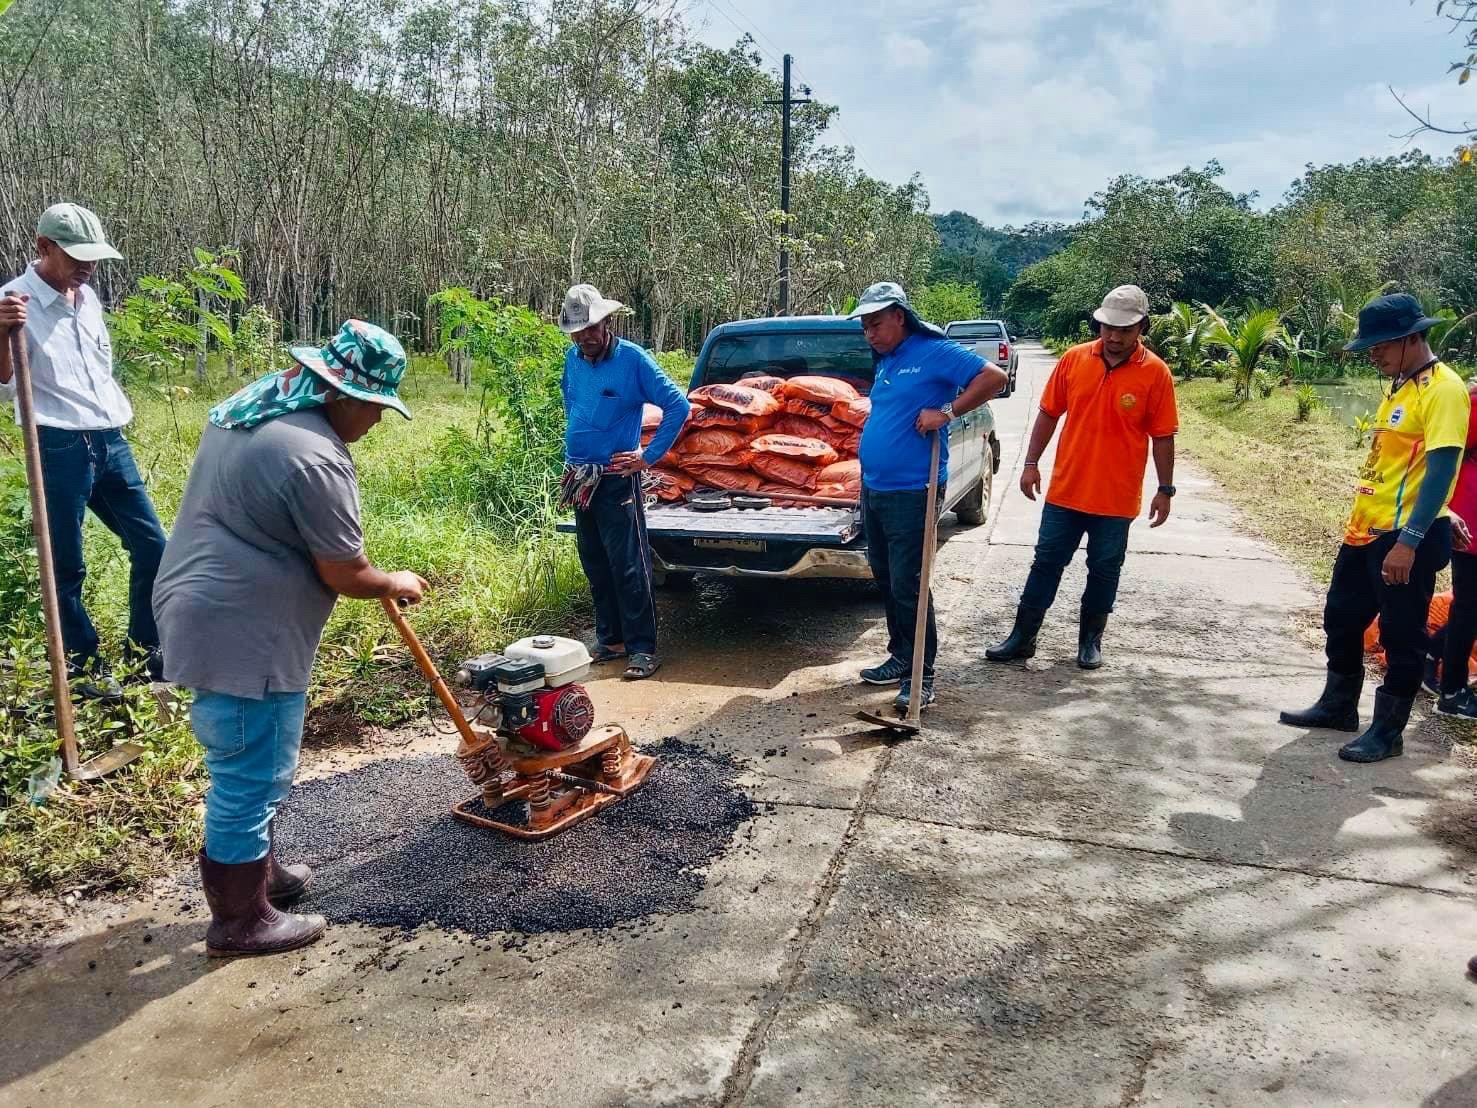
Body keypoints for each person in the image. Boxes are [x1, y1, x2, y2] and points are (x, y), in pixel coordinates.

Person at [153, 320, 427, 957]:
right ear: (343, 395)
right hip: (245, 631)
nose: (378, 422)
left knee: (251, 762)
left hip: (203, 602)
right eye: (377, 409)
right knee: (250, 773)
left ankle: (262, 874)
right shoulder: (313, 456)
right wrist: (396, 581)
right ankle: (240, 921)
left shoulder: (257, 404)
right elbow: (346, 572)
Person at [1280, 293, 1470, 763]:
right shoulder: (1400, 386)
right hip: (1365, 528)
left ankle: (1388, 731)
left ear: (1410, 339)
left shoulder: (1443, 389)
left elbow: (1444, 468)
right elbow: (1409, 465)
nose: (1372, 353)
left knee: (1401, 635)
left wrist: (1413, 538)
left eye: (1381, 344)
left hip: (1403, 537)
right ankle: (1338, 705)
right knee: (1341, 617)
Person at [0, 203, 168, 699]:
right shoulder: (14, 302)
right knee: (66, 563)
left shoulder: (88, 296)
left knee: (154, 545)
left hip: (109, 438)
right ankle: (82, 667)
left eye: (94, 257)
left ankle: (145, 653)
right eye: (76, 256)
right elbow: (3, 385)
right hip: (56, 443)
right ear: (43, 247)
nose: (87, 266)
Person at [987, 285, 1178, 669]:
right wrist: (1030, 464)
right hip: (1066, 491)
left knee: (1105, 569)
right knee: (1045, 563)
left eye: (1125, 329)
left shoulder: (1155, 373)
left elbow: (1163, 436)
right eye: (1108, 327)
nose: (1114, 336)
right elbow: (1048, 413)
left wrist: (1164, 489)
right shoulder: (1075, 360)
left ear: (1143, 327)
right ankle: (1022, 638)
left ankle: (1091, 641)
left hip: (1116, 498)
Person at [850, 281, 1008, 713]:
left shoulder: (932, 350)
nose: (870, 333)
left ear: (900, 316)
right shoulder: (887, 358)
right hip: (876, 487)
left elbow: (994, 376)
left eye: (876, 324)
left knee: (911, 584)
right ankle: (901, 656)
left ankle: (922, 676)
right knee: (885, 577)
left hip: (913, 490)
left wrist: (948, 412)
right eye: (865, 326)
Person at [557, 283, 688, 681]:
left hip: (617, 480)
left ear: (607, 322)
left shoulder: (633, 360)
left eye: (591, 329)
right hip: (582, 479)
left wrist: (647, 457)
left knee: (629, 566)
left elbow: (678, 405)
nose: (585, 337)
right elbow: (572, 403)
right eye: (578, 332)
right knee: (595, 562)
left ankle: (642, 649)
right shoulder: (573, 359)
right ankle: (610, 640)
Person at [1425, 378, 1477, 719]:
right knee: (1469, 607)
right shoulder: (1472, 404)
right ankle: (1453, 691)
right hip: (1469, 521)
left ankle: (1429, 656)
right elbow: (1443, 456)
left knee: (1470, 607)